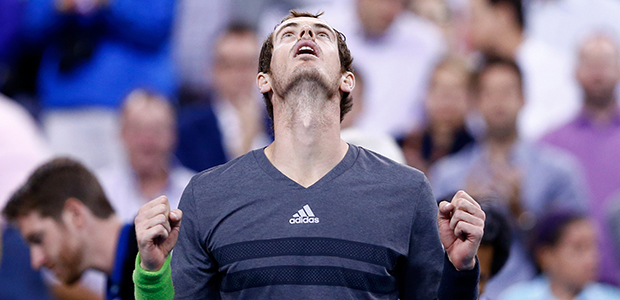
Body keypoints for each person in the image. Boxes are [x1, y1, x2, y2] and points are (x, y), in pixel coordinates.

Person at [132, 11, 485, 300]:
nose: (305, 33)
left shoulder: (408, 191)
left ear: (347, 80)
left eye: (322, 33)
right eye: (289, 34)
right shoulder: (206, 194)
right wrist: (150, 276)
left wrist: (461, 271)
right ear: (263, 81)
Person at [429, 56, 588, 299]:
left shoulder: (558, 170)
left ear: (523, 98)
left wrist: (522, 214)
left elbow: (578, 246)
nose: (498, 102)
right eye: (488, 93)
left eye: (507, 91)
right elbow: (429, 247)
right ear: (475, 101)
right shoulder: (447, 173)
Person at [20, 0, 176, 169]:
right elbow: (30, 28)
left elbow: (157, 23)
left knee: (134, 190)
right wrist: (60, 7)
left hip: (131, 108)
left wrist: (109, 4)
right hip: (65, 106)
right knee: (64, 188)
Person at [542, 34, 620, 286]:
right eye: (589, 63)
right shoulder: (550, 144)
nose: (597, 72)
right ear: (575, 72)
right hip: (569, 286)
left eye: (605, 62)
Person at [2, 158, 139, 300]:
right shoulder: (121, 282)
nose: (36, 261)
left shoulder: (157, 257)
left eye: (39, 239)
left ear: (75, 215)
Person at [467, 0, 581, 140]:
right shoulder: (474, 67)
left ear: (503, 15)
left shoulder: (555, 66)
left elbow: (564, 122)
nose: (469, 28)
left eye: (475, 18)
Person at [176, 24, 270, 172]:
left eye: (246, 65)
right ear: (212, 69)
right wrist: (246, 142)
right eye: (228, 65)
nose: (237, 74)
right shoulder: (189, 129)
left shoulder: (280, 123)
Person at [98, 89, 194, 224]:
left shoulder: (193, 191)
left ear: (173, 135)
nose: (147, 141)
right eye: (138, 130)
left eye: (157, 130)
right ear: (121, 133)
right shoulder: (101, 189)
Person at [499, 211, 620, 300]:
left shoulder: (612, 297)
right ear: (546, 256)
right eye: (578, 248)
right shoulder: (516, 297)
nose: (591, 258)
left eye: (593, 247)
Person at [401, 55, 475, 173]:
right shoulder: (401, 148)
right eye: (438, 89)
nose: (446, 98)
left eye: (455, 90)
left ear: (472, 98)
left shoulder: (480, 152)